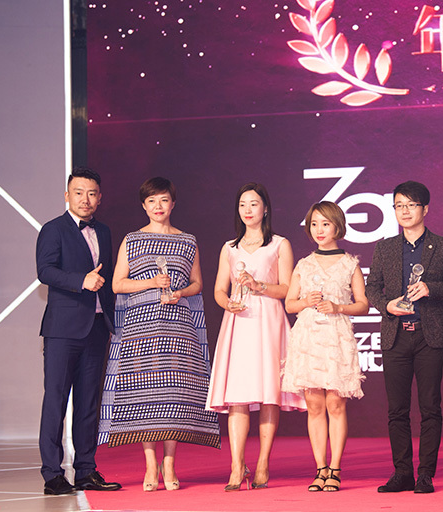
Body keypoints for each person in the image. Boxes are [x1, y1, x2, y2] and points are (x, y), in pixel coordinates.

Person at [98, 177, 221, 491]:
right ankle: (150, 464)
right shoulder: (132, 240)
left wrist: (180, 292)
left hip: (178, 328)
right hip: (141, 328)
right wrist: (152, 283)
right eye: (151, 201)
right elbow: (117, 284)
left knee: (172, 395)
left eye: (163, 200)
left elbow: (197, 284)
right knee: (146, 394)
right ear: (144, 205)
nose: (158, 206)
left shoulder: (187, 240)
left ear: (173, 203)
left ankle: (169, 463)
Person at [365, 181, 443, 494]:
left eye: (411, 205)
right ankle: (402, 472)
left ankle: (425, 474)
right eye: (399, 206)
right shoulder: (384, 247)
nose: (405, 211)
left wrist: (430, 289)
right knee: (397, 410)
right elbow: (371, 288)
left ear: (425, 209)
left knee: (430, 407)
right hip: (395, 336)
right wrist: (387, 306)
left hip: (429, 336)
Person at [206, 183, 305, 491]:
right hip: (238, 321)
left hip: (268, 320)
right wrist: (227, 303)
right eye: (242, 204)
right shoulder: (229, 247)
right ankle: (237, 466)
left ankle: (262, 462)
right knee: (237, 395)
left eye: (253, 204)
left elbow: (287, 289)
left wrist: (259, 286)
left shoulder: (279, 244)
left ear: (265, 209)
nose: (248, 210)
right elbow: (219, 289)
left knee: (268, 393)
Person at [36, 167, 121, 495]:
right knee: (55, 400)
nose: (85, 199)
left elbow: (106, 279)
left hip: (96, 328)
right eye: (79, 193)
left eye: (92, 193)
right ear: (67, 195)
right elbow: (45, 271)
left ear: (99, 198)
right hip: (62, 331)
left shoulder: (105, 231)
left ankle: (86, 470)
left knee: (88, 404)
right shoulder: (53, 229)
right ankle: (52, 474)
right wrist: (80, 281)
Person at [282, 202, 369, 492]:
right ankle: (320, 468)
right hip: (308, 338)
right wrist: (305, 302)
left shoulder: (349, 263)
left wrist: (338, 307)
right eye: (314, 224)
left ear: (337, 226)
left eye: (325, 224)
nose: (319, 230)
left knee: (335, 403)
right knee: (315, 405)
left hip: (336, 337)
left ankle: (335, 468)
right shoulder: (303, 264)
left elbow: (363, 304)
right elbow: (290, 304)